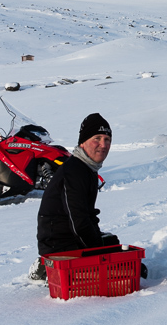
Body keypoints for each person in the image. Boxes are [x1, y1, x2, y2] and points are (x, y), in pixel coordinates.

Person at [29, 113, 118, 281]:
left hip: (71, 238)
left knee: (113, 243)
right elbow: (79, 222)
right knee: (115, 274)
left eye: (107, 140)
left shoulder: (87, 168)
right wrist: (101, 255)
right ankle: (48, 267)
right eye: (97, 138)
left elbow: (88, 215)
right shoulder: (75, 171)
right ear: (83, 142)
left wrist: (104, 245)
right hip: (59, 245)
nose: (103, 145)